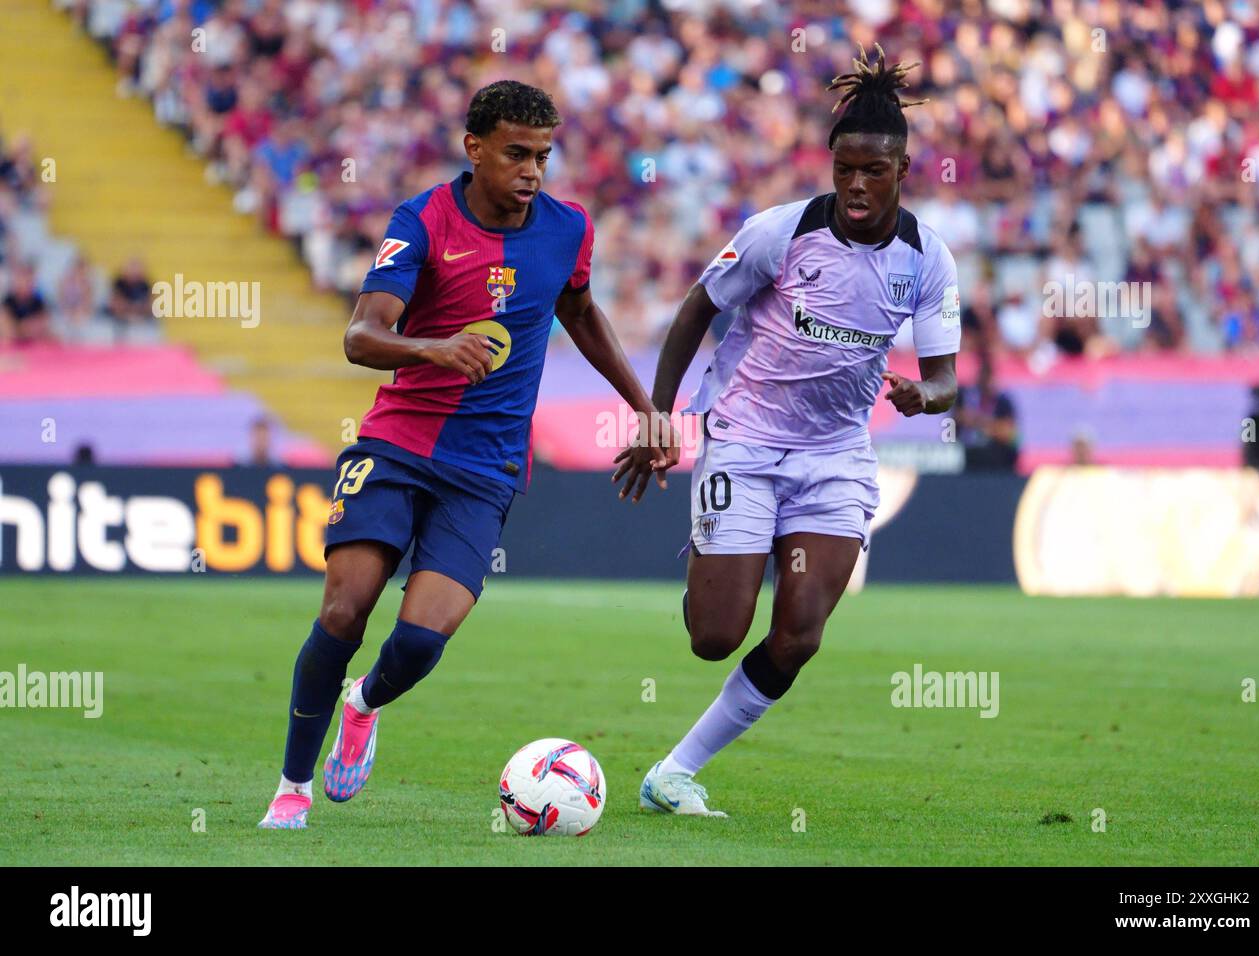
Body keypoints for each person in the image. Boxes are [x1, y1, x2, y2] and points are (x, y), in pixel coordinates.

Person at [258, 81, 667, 829]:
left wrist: (644, 407)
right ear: (474, 148)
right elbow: (360, 335)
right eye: (516, 154)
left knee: (417, 640)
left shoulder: (569, 228)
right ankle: (292, 787)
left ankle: (364, 703)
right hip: (398, 443)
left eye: (543, 155)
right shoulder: (422, 221)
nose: (532, 171)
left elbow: (579, 311)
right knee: (346, 608)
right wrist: (432, 347)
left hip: (487, 467)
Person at [614, 46, 960, 816]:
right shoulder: (782, 231)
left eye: (874, 171)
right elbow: (698, 308)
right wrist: (659, 414)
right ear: (831, 165)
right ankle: (720, 555)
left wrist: (921, 395)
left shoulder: (928, 260)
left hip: (835, 453)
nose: (857, 187)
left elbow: (945, 379)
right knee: (715, 636)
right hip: (744, 436)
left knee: (799, 631)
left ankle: (675, 771)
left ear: (904, 169)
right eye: (845, 170)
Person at [954, 355, 1020, 471]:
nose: (986, 380)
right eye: (983, 374)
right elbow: (957, 417)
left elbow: (1008, 433)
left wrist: (980, 422)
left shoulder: (1003, 401)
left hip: (995, 454)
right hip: (967, 451)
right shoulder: (964, 395)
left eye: (989, 375)